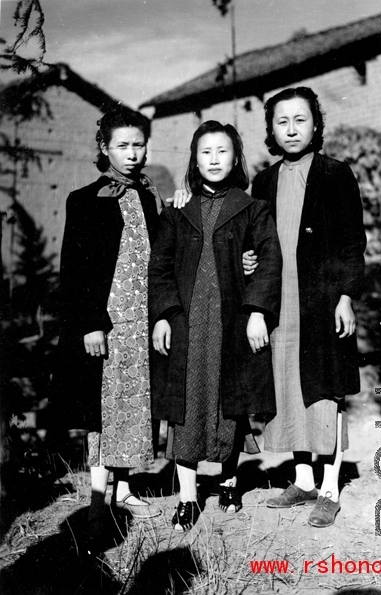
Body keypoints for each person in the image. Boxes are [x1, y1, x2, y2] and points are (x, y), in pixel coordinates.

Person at [148, 120, 282, 532]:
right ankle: (188, 498)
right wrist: (166, 315)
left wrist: (258, 310)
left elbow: (269, 259)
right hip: (188, 324)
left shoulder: (252, 207)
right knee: (186, 408)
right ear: (194, 159)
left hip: (232, 322)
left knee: (229, 404)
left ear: (235, 157)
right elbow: (160, 269)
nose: (214, 159)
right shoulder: (177, 211)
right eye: (205, 152)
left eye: (222, 151)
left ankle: (227, 482)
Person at [250, 87, 366, 527]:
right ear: (271, 131)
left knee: (322, 391)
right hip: (281, 305)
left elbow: (353, 242)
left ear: (315, 125)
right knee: (288, 390)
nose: (292, 129)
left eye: (301, 120)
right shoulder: (262, 182)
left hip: (321, 303)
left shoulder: (336, 174)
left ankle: (330, 488)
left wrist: (345, 296)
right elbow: (254, 243)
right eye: (283, 122)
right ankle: (302, 479)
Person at [51, 106, 161, 552]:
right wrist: (91, 324)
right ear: (104, 148)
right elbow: (73, 271)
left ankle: (126, 489)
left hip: (142, 321)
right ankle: (99, 500)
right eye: (123, 146)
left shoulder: (149, 196)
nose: (132, 154)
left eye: (138, 145)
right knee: (103, 408)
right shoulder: (84, 200)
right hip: (108, 322)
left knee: (133, 407)